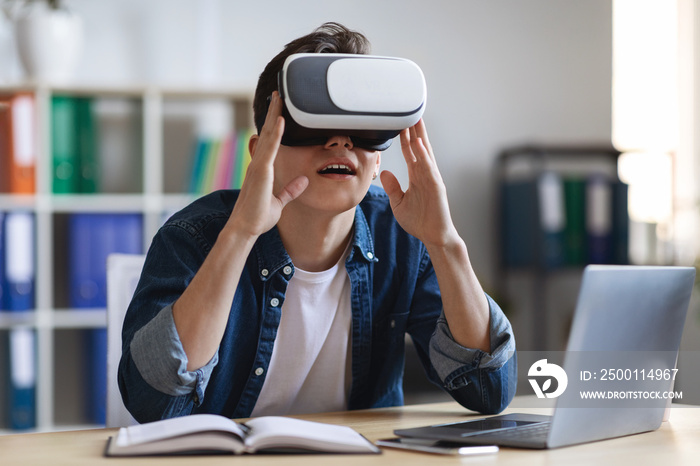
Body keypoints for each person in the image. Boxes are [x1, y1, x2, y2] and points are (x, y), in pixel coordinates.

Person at [118, 22, 516, 423]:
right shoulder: (191, 238)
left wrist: (445, 243)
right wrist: (239, 235)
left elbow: (489, 390)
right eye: (314, 126)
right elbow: (154, 404)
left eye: (361, 130)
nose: (339, 142)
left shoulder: (403, 239)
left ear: (377, 161)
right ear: (260, 153)